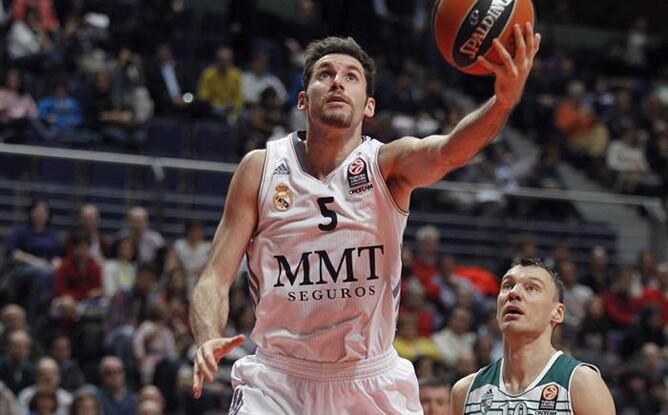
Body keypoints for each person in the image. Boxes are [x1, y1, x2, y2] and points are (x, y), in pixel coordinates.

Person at [190, 26, 541, 414]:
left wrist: (502, 102)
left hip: (368, 380)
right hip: (278, 382)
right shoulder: (260, 168)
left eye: (351, 76)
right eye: (325, 74)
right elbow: (215, 278)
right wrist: (207, 336)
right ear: (304, 100)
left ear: (369, 105)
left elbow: (449, 152)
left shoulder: (387, 165)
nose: (338, 82)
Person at [449, 258, 615, 414]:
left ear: (557, 312)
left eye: (531, 288)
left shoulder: (581, 383)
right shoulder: (465, 392)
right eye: (507, 285)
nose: (513, 293)